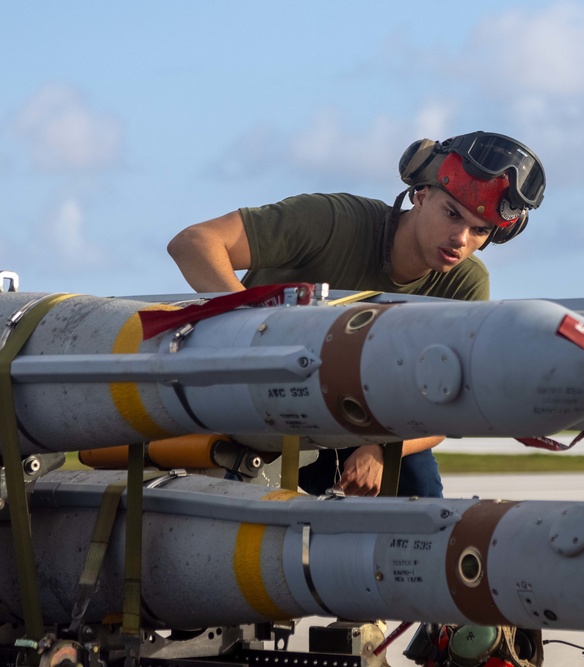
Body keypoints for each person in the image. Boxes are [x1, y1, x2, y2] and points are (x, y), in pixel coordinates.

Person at [167, 131, 546, 498]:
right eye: (451, 214)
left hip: (361, 422)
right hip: (255, 401)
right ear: (421, 195)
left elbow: (451, 403)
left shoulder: (465, 285)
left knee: (419, 496)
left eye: (479, 231)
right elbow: (195, 243)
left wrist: (382, 449)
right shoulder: (332, 223)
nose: (461, 239)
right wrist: (254, 329)